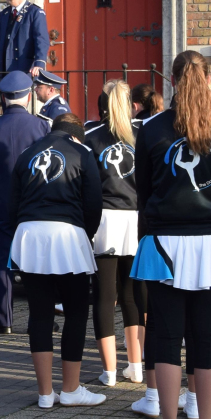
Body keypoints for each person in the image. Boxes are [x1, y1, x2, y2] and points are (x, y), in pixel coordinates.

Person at [129, 50, 211, 419]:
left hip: (165, 242)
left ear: (172, 80)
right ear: (209, 79)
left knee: (166, 336)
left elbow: (144, 191)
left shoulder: (151, 128)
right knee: (207, 336)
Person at [8, 113, 105, 408]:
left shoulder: (27, 153)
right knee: (76, 312)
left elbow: (12, 203)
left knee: (39, 314)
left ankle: (45, 393)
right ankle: (71, 389)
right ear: (76, 134)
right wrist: (85, 235)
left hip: (29, 232)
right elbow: (94, 203)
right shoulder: (82, 152)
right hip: (67, 233)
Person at [0, 70, 49, 334]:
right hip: (34, 205)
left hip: (2, 203)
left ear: (4, 98)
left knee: (2, 260)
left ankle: (4, 320)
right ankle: (40, 317)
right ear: (28, 96)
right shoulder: (42, 127)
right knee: (37, 261)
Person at [88, 80, 139, 384]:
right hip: (136, 219)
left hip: (105, 219)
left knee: (104, 296)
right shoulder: (143, 135)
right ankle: (136, 365)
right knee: (134, 296)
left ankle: (109, 371)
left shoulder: (91, 136)